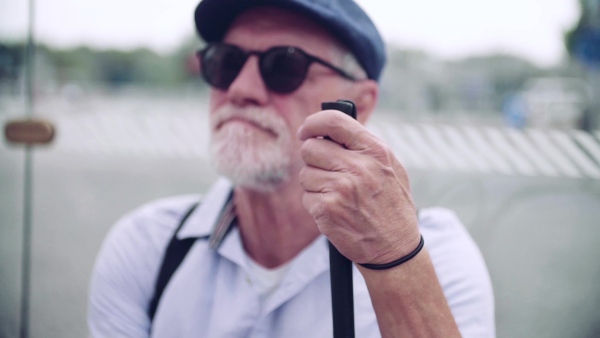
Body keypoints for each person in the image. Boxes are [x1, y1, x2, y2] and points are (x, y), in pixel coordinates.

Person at [88, 0, 495, 337]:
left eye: (284, 65)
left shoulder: (432, 258)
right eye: (225, 62)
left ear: (362, 104)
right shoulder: (148, 248)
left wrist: (393, 259)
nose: (241, 90)